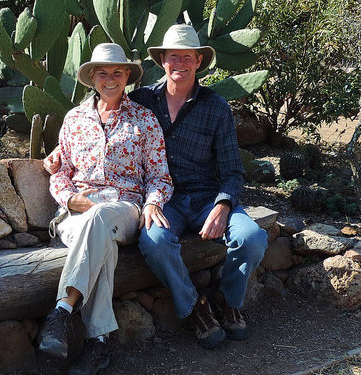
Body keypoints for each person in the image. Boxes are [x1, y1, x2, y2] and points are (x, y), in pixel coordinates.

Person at [44, 24, 268, 350]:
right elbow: (73, 150)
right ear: (162, 60)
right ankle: (189, 309)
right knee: (151, 240)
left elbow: (232, 171)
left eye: (187, 57)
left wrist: (222, 205)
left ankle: (228, 300)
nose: (179, 63)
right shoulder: (136, 102)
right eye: (173, 56)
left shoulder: (208, 108)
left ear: (198, 61)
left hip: (199, 198)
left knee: (252, 238)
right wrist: (60, 173)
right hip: (163, 202)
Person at [40, 43, 173, 375]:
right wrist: (70, 200)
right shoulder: (74, 119)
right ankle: (99, 345)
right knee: (103, 248)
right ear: (92, 78)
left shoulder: (144, 119)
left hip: (123, 209)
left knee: (100, 218)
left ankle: (62, 310)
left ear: (127, 75)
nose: (110, 79)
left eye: (117, 72)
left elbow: (160, 176)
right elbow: (61, 173)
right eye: (103, 73)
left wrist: (153, 202)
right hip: (75, 215)